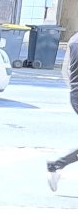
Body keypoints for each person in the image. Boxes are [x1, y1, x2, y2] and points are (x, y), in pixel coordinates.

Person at [47, 32, 78, 190]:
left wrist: (74, 88)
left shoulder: (74, 39)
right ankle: (56, 165)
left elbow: (65, 71)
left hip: (75, 94)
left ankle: (56, 166)